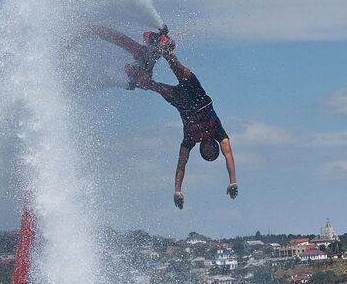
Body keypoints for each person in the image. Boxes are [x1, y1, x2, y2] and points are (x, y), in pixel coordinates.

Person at [85, 26, 238, 210]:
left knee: (153, 86)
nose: (209, 150)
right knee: (176, 66)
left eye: (206, 153)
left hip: (180, 102)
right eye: (212, 151)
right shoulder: (218, 132)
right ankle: (164, 48)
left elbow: (182, 164)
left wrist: (177, 191)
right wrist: (232, 182)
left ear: (202, 151)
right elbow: (228, 153)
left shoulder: (190, 140)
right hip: (196, 93)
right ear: (214, 146)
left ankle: (139, 76)